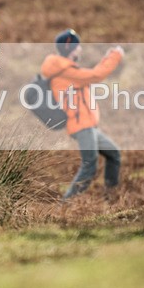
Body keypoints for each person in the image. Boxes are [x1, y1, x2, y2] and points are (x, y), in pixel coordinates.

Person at [41, 29, 124, 200]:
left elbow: (90, 75)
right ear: (69, 48)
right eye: (77, 46)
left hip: (88, 124)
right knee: (90, 165)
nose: (80, 49)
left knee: (114, 154)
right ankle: (66, 205)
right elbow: (96, 75)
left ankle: (112, 198)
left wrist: (106, 58)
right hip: (80, 125)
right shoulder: (64, 71)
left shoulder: (67, 69)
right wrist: (115, 55)